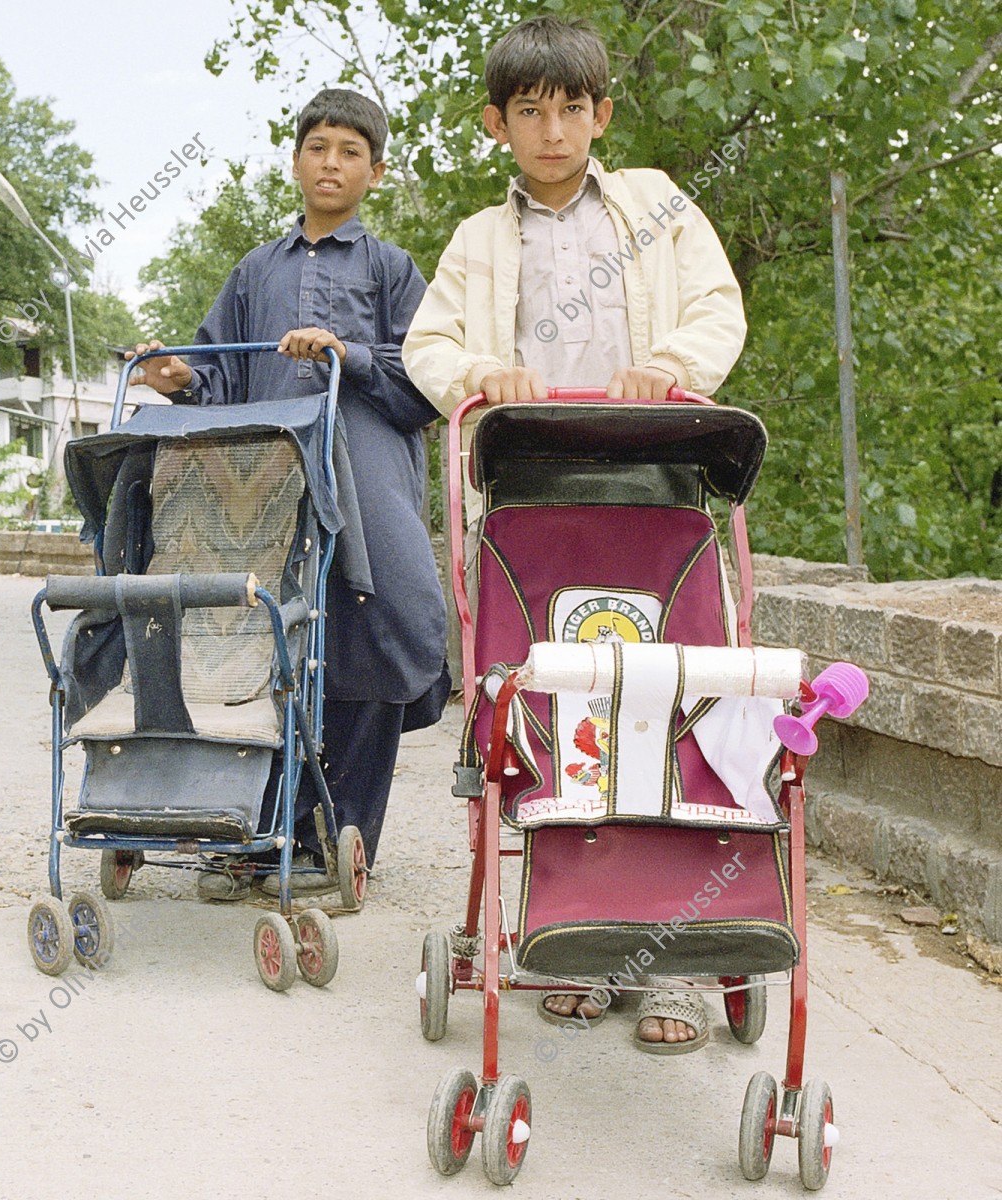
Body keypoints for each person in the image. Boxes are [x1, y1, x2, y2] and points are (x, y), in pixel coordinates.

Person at [401, 15, 748, 1052]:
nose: (551, 131)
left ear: (601, 115)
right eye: (528, 112)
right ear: (496, 123)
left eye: (570, 109)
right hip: (533, 500)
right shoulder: (480, 238)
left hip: (657, 482)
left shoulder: (659, 209)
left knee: (672, 705)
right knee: (562, 713)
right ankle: (585, 936)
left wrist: (672, 365)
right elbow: (431, 342)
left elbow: (719, 310)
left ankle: (679, 963)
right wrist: (479, 376)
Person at [132, 88, 450, 901]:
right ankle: (253, 834)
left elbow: (431, 385)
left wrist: (352, 353)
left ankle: (341, 838)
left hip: (368, 479)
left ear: (375, 172)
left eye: (350, 151)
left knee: (372, 635)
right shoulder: (255, 270)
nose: (332, 164)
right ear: (296, 160)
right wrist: (175, 377)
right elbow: (218, 374)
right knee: (274, 645)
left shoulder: (392, 270)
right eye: (319, 148)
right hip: (271, 487)